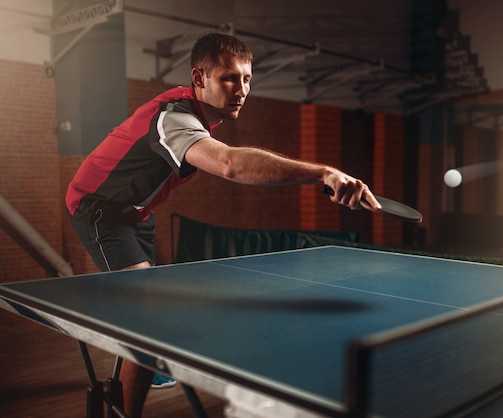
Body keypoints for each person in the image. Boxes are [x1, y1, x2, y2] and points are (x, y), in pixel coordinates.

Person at [65, 33, 380, 417]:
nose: (242, 89)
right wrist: (323, 173)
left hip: (138, 212)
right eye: (230, 78)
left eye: (248, 78)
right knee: (147, 316)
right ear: (199, 78)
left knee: (146, 313)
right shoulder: (174, 119)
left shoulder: (198, 118)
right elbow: (231, 164)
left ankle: (137, 362)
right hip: (99, 210)